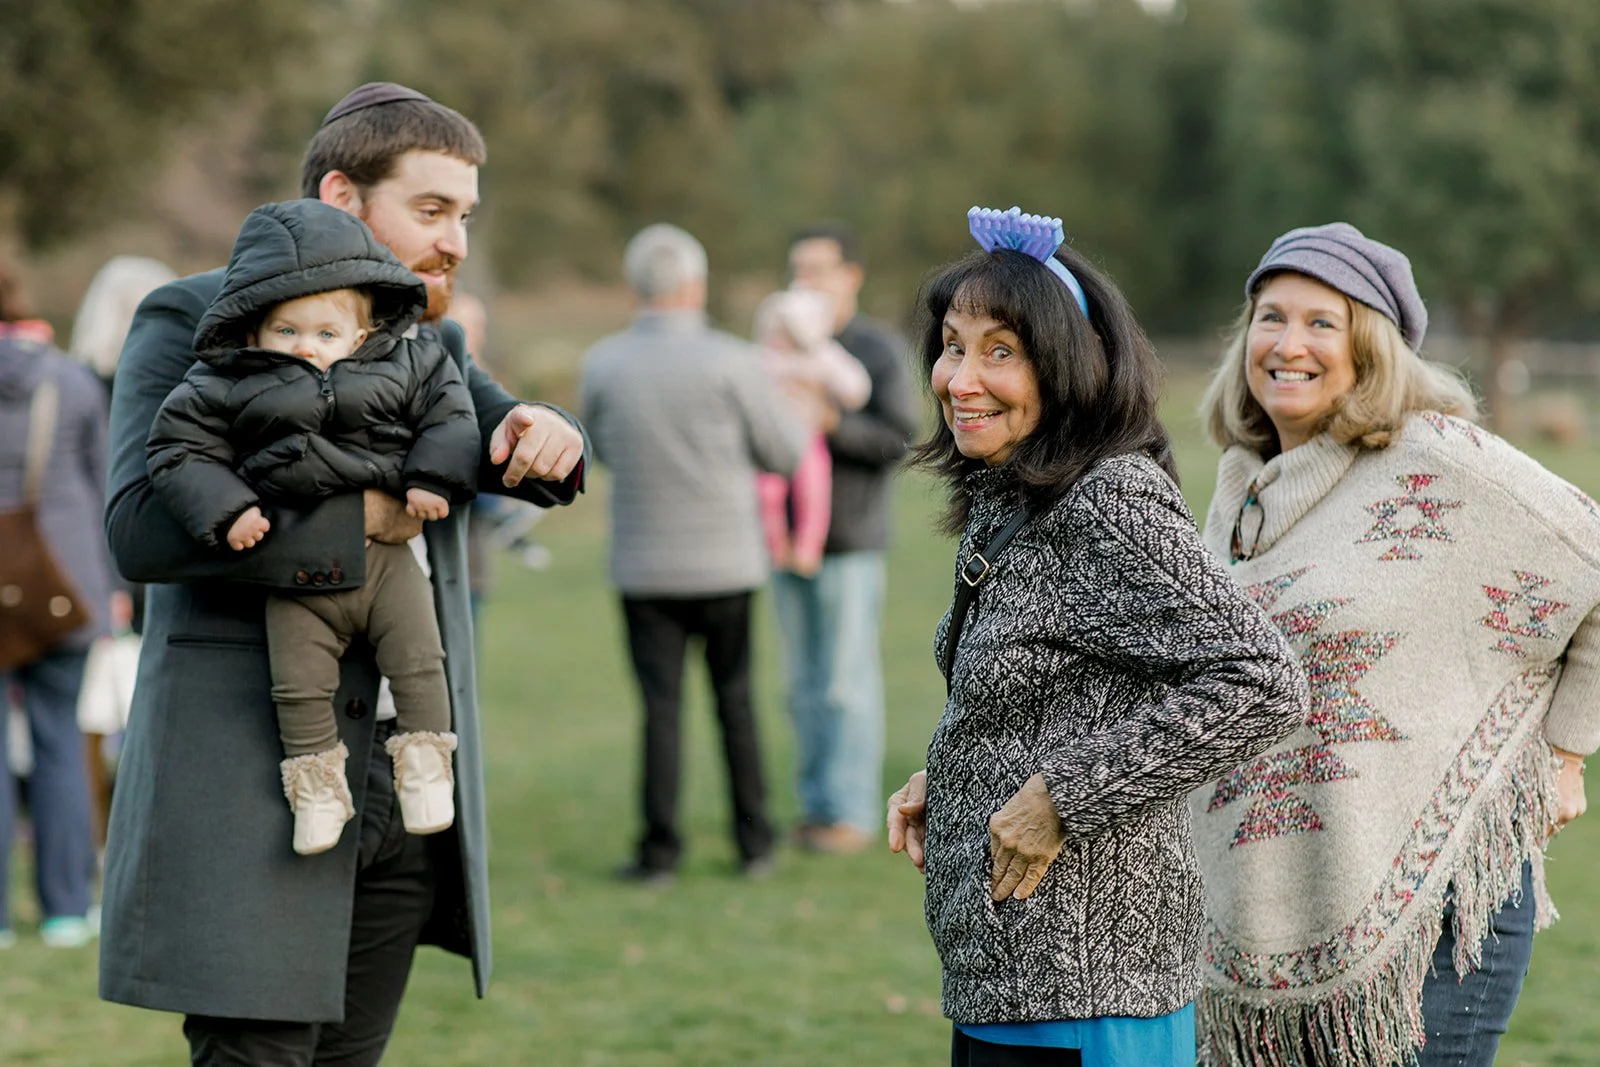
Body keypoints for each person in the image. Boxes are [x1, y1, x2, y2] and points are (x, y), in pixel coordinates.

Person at [98, 83, 588, 1065]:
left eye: (466, 217)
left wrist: (554, 433)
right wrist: (356, 520)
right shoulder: (192, 315)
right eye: (433, 209)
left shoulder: (428, 338)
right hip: (250, 789)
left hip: (398, 796)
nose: (454, 242)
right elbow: (141, 529)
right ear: (341, 197)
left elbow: (518, 452)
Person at [885, 206, 1307, 1067]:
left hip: (1090, 995)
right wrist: (963, 766)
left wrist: (1060, 800)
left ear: (1067, 364)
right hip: (1010, 980)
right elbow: (1064, 684)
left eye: (1000, 351)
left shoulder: (1109, 499)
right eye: (953, 344)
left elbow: (1262, 681)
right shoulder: (1015, 494)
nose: (960, 377)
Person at [1192, 223, 1600, 1067]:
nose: (1287, 344)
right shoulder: (1240, 498)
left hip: (1436, 918)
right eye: (1271, 317)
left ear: (1371, 346)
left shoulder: (1438, 463)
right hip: (1281, 892)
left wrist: (1567, 752)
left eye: (1321, 323)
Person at [145, 199, 480, 855]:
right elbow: (177, 449)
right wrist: (228, 507)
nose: (305, 348)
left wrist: (429, 477)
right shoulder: (223, 382)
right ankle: (317, 792)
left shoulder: (408, 362)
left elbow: (451, 415)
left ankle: (425, 768)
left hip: (388, 566)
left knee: (419, 662)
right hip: (295, 577)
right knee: (297, 688)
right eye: (285, 331)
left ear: (359, 336)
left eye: (325, 334)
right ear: (253, 332)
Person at [580, 223, 806, 883]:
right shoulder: (735, 360)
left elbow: (596, 449)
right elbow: (786, 453)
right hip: (726, 562)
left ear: (636, 286)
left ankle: (659, 851)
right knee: (735, 699)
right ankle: (755, 842)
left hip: (643, 562)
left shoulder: (603, 362)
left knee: (660, 706)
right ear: (695, 284)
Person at [777, 222, 919, 854]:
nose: (805, 282)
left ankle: (852, 813)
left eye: (818, 269)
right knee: (801, 685)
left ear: (850, 277)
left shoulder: (875, 349)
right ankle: (816, 805)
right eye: (798, 270)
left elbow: (897, 437)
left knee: (844, 683)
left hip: (852, 538)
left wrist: (830, 422)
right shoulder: (782, 345)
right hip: (786, 542)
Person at [0, 261, 114, 949]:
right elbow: (104, 489)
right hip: (62, 586)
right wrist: (115, 590)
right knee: (61, 744)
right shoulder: (68, 381)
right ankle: (67, 910)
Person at [751, 286, 871, 577]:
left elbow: (854, 387)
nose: (780, 339)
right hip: (774, 440)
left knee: (813, 491)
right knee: (767, 493)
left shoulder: (821, 357)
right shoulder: (764, 359)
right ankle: (775, 547)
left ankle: (807, 548)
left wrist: (818, 387)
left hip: (808, 437)